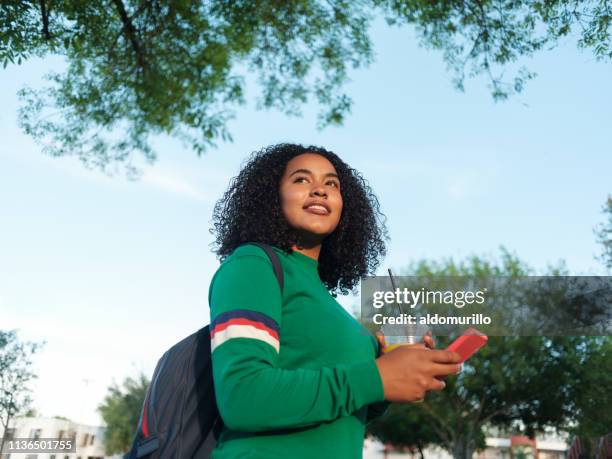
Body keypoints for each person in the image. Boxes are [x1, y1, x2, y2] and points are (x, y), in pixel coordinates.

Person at [208, 143, 461, 458]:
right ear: (271, 198)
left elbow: (335, 415)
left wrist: (389, 377)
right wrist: (376, 376)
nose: (319, 191)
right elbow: (242, 397)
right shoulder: (254, 264)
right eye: (301, 180)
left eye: (332, 184)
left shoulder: (323, 298)